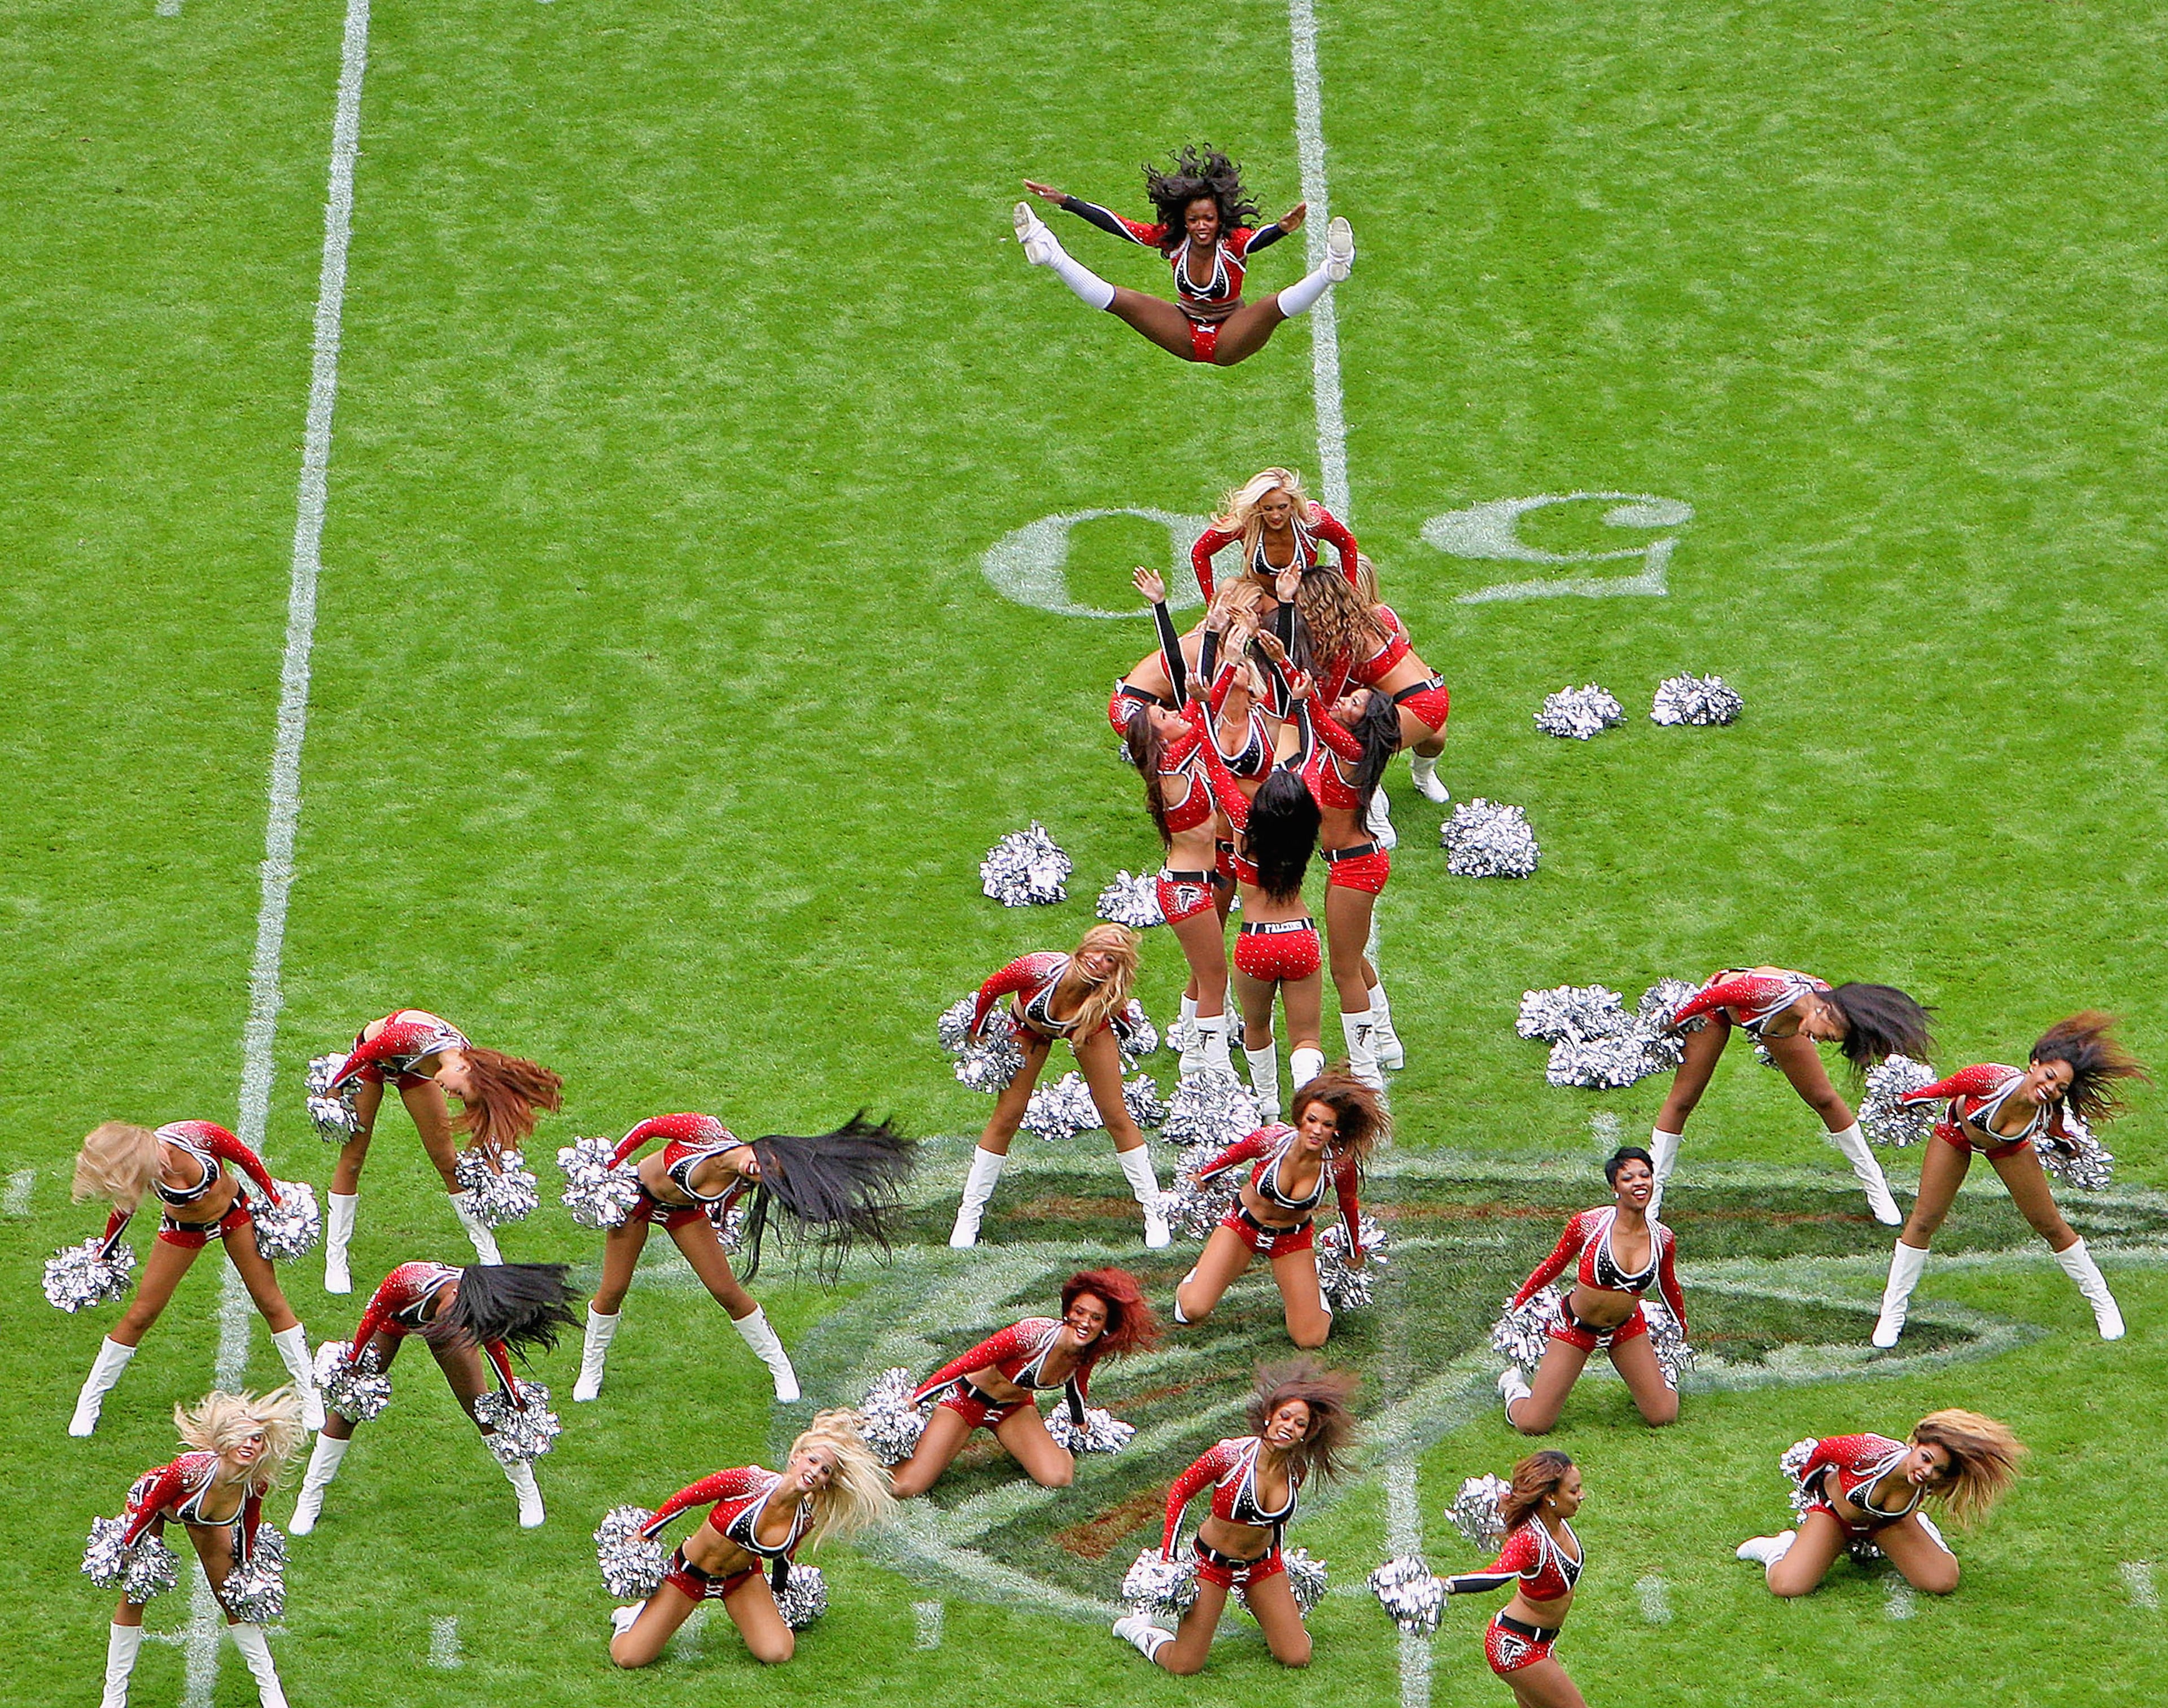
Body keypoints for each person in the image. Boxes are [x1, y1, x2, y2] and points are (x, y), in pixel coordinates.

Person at [1870, 1013, 2146, 1346]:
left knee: (2050, 1225)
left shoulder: (2049, 1112)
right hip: (1955, 1135)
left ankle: (2104, 1304)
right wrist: (1900, 1103)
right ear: (2034, 1065)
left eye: (2061, 1088)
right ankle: (1892, 1314)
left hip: (2009, 1148)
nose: (2050, 1090)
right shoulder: (1988, 1079)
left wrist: (2073, 1152)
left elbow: (2060, 1134)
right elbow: (1936, 1091)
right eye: (2048, 1077)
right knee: (1924, 1220)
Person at [67, 1120, 321, 1436]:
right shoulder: (143, 1170)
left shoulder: (196, 1137)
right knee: (141, 1314)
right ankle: (90, 1398)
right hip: (183, 1232)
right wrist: (105, 1252)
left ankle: (311, 1393)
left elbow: (244, 1157)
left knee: (271, 1302)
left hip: (235, 1215)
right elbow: (124, 1210)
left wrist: (274, 1198)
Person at [287, 1260, 579, 1532]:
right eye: (457, 1319)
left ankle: (527, 1491)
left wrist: (513, 1397)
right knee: (350, 1406)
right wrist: (354, 1363)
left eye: (464, 1324)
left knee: (483, 1409)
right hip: (392, 1321)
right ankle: (311, 1494)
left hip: (441, 1334)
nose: (459, 1324)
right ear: (452, 1294)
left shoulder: (469, 1307)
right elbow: (373, 1316)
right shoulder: (407, 1279)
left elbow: (495, 1351)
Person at [1113, 1359, 1358, 1672]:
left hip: (1263, 1566)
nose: (1289, 1427)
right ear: (1269, 1417)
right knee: (1184, 1664)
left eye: (1300, 1424)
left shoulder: (1297, 1468)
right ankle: (1137, 1628)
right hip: (1212, 1566)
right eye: (1285, 1417)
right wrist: (1168, 1558)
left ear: (1306, 1433)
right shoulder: (1229, 1455)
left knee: (1297, 1655)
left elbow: (1277, 1523)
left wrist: (1280, 1565)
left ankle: (1279, 1624)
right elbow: (1180, 1492)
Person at [1013, 148, 1353, 367]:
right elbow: (1118, 225)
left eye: (1208, 219)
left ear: (1220, 218)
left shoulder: (1231, 243)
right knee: (1119, 300)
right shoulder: (1172, 240)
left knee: (1273, 307)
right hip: (1184, 331)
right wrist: (1066, 201)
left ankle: (1332, 268)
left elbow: (1258, 241)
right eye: (1194, 220)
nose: (1201, 227)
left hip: (1230, 337)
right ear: (1183, 221)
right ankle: (1047, 250)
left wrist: (1281, 229)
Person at [608, 1411, 896, 1668]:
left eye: (825, 1471)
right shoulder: (748, 1482)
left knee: (778, 1651)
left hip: (742, 1580)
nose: (814, 1472)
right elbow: (689, 1498)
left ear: (826, 1483)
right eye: (813, 1460)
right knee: (629, 1657)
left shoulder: (803, 1518)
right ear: (796, 1457)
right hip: (689, 1575)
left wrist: (781, 1594)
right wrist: (645, 1533)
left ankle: (759, 1617)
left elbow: (785, 1557)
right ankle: (629, 1618)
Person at [1653, 968, 1936, 1223]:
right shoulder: (1765, 991)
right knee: (1684, 1100)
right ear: (1824, 1013)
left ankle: (1877, 1188)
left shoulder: (1818, 1006)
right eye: (1829, 1035)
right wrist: (1673, 1024)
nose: (1822, 1041)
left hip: (1777, 1025)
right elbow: (1712, 996)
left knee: (1824, 1098)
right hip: (1715, 1009)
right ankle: (1651, 1197)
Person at [947, 926, 1169, 1249]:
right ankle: (968, 1215)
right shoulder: (1037, 970)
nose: (1098, 961)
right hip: (1028, 1029)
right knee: (1008, 1116)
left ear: (1116, 968)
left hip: (1086, 1029)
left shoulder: (1103, 999)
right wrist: (978, 1030)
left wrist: (1129, 1031)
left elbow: (1120, 1014)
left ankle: (1155, 1211)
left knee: (1116, 1116)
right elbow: (992, 987)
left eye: (1110, 959)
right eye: (1096, 950)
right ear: (1083, 947)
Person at [95, 1388, 307, 1708]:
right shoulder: (190, 1469)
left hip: (203, 1518)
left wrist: (247, 1563)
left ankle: (271, 1690)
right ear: (226, 1440)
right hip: (154, 1507)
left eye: (257, 1439)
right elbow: (152, 1503)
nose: (249, 1445)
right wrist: (128, 1544)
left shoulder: (254, 1482)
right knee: (136, 1592)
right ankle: (113, 1695)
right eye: (243, 1437)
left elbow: (250, 1521)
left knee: (235, 1598)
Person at [320, 1009, 562, 1287]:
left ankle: (490, 1256)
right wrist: (335, 1089)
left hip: (414, 1070)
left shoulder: (465, 1066)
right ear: (463, 1070)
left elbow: (478, 1127)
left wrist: (493, 1161)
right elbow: (362, 1056)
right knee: (353, 1158)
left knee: (447, 1161)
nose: (450, 1095)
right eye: (457, 1092)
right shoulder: (411, 1037)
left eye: (457, 1095)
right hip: (371, 1062)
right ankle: (336, 1259)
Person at [1184, 669, 1326, 1123]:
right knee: (1307, 1037)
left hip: (1256, 941)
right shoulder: (1308, 821)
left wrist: (1203, 704)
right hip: (1300, 936)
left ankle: (1267, 1110)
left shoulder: (1245, 824)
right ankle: (1307, 1110)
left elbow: (1212, 761)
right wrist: (1301, 706)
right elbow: (1311, 761)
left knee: (1258, 1029)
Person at [890, 1269, 1159, 1496]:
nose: (1085, 1323)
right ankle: (873, 1450)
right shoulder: (1031, 1335)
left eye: (1096, 1318)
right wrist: (918, 1398)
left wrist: (1080, 1424)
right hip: (966, 1402)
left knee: (1058, 1477)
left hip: (1013, 1410)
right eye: (1080, 1311)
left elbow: (1076, 1389)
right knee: (906, 1486)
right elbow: (966, 1363)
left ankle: (1054, 1439)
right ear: (1068, 1310)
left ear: (1105, 1326)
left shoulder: (1086, 1353)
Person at [1173, 1071, 1383, 1347]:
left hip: (1291, 1240)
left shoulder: (1338, 1165)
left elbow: (1348, 1206)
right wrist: (1202, 1178)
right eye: (1312, 1120)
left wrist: (1354, 1251)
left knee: (1311, 1339)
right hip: (1242, 1227)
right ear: (1300, 1119)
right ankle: (1197, 1278)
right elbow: (1235, 1155)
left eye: (1327, 1124)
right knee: (1192, 1310)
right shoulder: (1272, 1140)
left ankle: (1314, 1294)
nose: (1317, 1130)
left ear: (1336, 1130)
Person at [1496, 1149, 1686, 1434]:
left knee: (1663, 1415)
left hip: (1627, 1329)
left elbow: (1669, 1284)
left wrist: (1681, 1325)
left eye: (1645, 1176)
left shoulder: (1663, 1237)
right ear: (1615, 1188)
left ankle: (1660, 1376)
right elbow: (1555, 1263)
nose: (1639, 1183)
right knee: (1533, 1424)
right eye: (1628, 1178)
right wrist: (1521, 1300)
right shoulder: (1589, 1223)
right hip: (1576, 1328)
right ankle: (1513, 1386)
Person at [1737, 1411, 2026, 1597]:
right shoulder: (1868, 1452)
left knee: (1942, 1582)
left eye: (1937, 1470)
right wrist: (1812, 1493)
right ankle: (1778, 1547)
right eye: (1925, 1459)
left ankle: (1926, 1530)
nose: (1927, 1473)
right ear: (1914, 1445)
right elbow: (1821, 1451)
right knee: (1787, 1586)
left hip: (1888, 1524)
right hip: (1835, 1518)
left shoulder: (1929, 1481)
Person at [1432, 1451, 1589, 1708]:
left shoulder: (1555, 1522)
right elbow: (1495, 1576)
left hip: (1541, 1642)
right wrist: (1444, 1584)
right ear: (1550, 1497)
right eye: (1574, 1491)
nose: (1581, 1496)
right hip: (1516, 1647)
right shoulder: (1530, 1540)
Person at [1190, 469, 1360, 605]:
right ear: (1257, 506)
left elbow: (1348, 543)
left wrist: (1351, 587)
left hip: (1304, 599)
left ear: (1293, 503)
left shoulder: (1312, 522)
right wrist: (1211, 602)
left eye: (1282, 507)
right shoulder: (1245, 524)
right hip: (1264, 601)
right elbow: (1200, 552)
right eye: (1268, 509)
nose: (1276, 515)